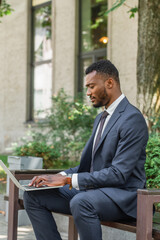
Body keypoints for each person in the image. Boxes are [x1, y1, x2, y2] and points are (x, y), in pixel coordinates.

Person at [23, 60, 148, 240]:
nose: (88, 93)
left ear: (110, 83)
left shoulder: (131, 118)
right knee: (33, 196)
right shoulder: (101, 119)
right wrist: (57, 176)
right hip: (96, 192)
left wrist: (67, 180)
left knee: (81, 202)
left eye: (91, 87)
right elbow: (87, 165)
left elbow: (119, 174)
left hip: (123, 197)